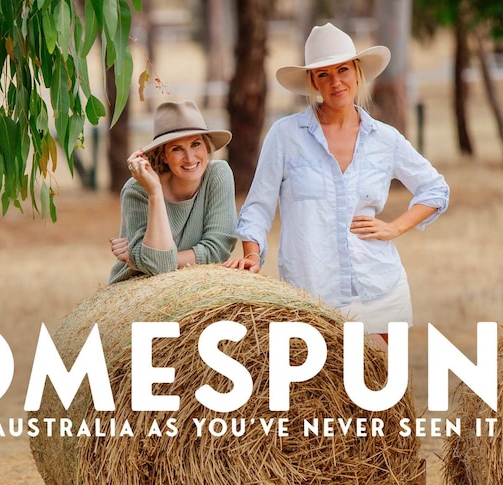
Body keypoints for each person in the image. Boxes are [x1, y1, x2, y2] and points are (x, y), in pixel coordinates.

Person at [225, 23, 449, 342]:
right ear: (313, 82)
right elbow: (257, 208)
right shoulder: (285, 136)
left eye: (342, 70)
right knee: (318, 388)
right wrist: (251, 254)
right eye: (323, 74)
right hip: (311, 290)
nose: (335, 82)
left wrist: (395, 228)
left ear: (357, 72)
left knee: (393, 384)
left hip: (379, 285)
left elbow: (436, 189)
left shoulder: (385, 139)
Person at [108, 100, 237, 284]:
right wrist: (155, 192)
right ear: (163, 156)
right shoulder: (137, 190)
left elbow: (217, 251)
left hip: (195, 285)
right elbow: (155, 267)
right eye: (177, 149)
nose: (190, 158)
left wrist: (147, 260)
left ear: (207, 146)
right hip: (137, 289)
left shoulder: (218, 175)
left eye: (196, 144)